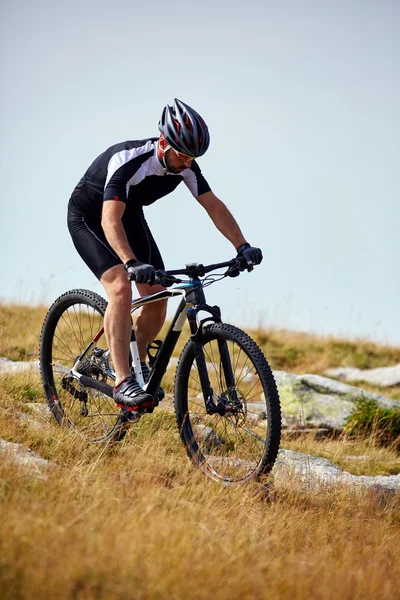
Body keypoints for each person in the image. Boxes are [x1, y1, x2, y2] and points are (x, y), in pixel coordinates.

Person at [67, 98, 262, 409]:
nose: (187, 163)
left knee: (158, 297)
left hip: (128, 215)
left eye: (193, 158)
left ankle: (136, 361)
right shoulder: (130, 160)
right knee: (120, 286)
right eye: (182, 155)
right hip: (90, 217)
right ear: (163, 142)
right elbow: (109, 220)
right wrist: (130, 264)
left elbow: (213, 205)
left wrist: (242, 245)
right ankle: (122, 380)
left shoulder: (186, 166)